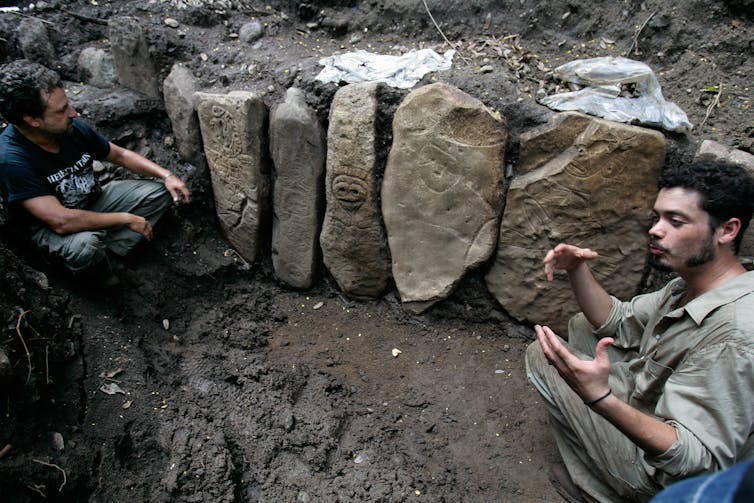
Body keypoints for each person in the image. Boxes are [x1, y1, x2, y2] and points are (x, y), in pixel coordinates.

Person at [525, 160, 754, 502]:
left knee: (540, 357)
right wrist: (577, 269)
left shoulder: (733, 336)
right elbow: (619, 320)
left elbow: (698, 460)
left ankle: (602, 491)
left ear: (727, 230)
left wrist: (599, 398)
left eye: (675, 221)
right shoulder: (698, 283)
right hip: (662, 399)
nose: (656, 230)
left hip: (668, 480)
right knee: (581, 326)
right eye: (657, 217)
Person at [0, 60, 190, 282]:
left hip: (93, 200)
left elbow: (120, 155)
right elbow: (61, 222)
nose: (73, 113)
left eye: (68, 104)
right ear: (32, 120)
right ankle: (97, 278)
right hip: (55, 230)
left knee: (161, 193)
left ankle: (111, 252)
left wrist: (166, 175)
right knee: (86, 246)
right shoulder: (12, 160)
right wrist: (124, 219)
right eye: (62, 110)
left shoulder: (69, 129)